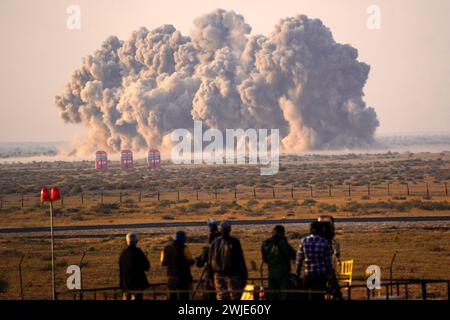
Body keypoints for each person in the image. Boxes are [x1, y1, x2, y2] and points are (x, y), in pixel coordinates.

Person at [209, 221, 248, 300]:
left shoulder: (214, 242)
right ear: (229, 229)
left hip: (218, 274)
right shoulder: (234, 242)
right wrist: (244, 275)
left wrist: (211, 276)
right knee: (235, 296)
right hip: (232, 274)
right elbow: (240, 259)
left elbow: (210, 261)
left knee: (221, 297)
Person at [296, 221, 333, 300]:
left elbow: (299, 258)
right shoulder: (324, 242)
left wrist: (298, 271)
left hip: (308, 273)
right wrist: (329, 273)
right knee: (319, 295)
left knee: (305, 295)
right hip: (320, 275)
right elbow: (328, 261)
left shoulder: (304, 241)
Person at [261, 225, 296, 300]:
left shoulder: (266, 243)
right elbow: (292, 254)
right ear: (282, 232)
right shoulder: (282, 242)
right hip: (283, 271)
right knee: (285, 294)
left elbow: (264, 258)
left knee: (273, 293)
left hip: (271, 271)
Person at [161, 231, 195, 300]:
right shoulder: (184, 248)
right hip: (183, 278)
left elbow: (162, 262)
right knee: (184, 297)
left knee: (171, 297)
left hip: (171, 278)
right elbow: (191, 261)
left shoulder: (165, 249)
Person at [194, 219, 221, 300]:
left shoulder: (209, 247)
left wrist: (197, 259)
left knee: (210, 294)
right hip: (224, 274)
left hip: (211, 275)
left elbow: (200, 263)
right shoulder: (225, 244)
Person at [119, 232, 150, 300]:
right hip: (137, 285)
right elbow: (147, 267)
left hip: (125, 284)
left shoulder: (123, 253)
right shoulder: (138, 252)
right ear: (136, 242)